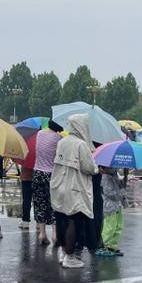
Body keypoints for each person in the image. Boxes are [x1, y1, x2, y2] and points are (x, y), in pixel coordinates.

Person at [50, 114, 98, 269]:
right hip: (75, 188)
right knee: (74, 220)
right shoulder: (81, 144)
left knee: (62, 218)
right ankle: (70, 257)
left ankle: (64, 252)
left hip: (59, 185)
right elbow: (88, 168)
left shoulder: (62, 142)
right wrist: (96, 167)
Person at [32, 120, 63, 246]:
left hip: (37, 173)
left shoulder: (39, 134)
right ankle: (55, 235)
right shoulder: (59, 139)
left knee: (39, 203)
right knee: (54, 204)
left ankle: (42, 234)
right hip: (52, 175)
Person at [95, 167, 124, 257]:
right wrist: (120, 194)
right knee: (109, 227)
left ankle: (112, 245)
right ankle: (105, 246)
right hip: (110, 207)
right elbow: (109, 193)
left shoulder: (115, 176)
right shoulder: (105, 178)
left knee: (118, 226)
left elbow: (121, 189)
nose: (114, 169)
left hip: (118, 205)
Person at [19, 165, 34, 230]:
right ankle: (39, 222)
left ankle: (25, 221)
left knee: (26, 200)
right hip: (38, 175)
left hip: (26, 176)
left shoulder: (26, 158)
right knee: (38, 201)